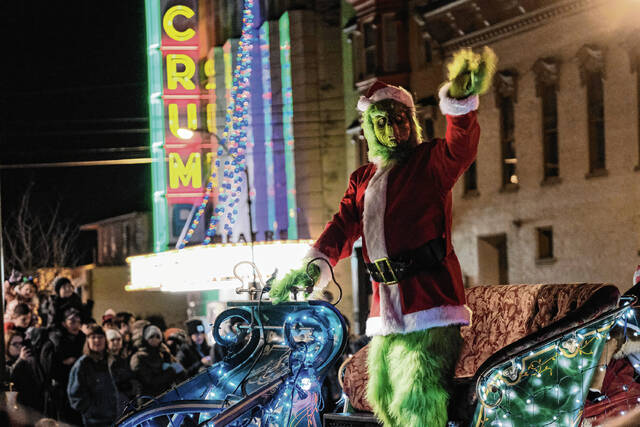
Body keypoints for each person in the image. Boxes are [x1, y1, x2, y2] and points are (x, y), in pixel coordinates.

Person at [270, 47, 497, 426]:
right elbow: (341, 227)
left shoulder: (429, 162)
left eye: (400, 121)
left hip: (430, 303)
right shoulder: (362, 179)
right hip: (385, 309)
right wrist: (312, 269)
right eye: (381, 123)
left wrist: (459, 105)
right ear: (369, 129)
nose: (392, 130)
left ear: (411, 122)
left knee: (419, 401)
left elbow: (461, 146)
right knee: (385, 398)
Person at [40, 307, 85, 424]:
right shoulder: (55, 340)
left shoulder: (83, 339)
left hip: (80, 388)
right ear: (64, 323)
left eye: (78, 322)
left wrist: (74, 361)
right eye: (72, 322)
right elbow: (50, 368)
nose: (76, 325)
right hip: (61, 390)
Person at [68, 325, 119, 426]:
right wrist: (91, 411)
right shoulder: (82, 365)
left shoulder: (112, 361)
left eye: (100, 337)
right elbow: (75, 395)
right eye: (93, 337)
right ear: (87, 340)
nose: (97, 340)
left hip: (117, 417)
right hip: (95, 421)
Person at [130, 324, 185, 400]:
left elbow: (181, 372)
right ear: (145, 338)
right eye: (151, 336)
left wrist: (168, 357)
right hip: (149, 400)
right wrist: (171, 371)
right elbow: (149, 382)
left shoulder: (163, 353)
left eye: (158, 336)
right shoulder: (138, 357)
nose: (155, 339)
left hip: (167, 397)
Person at [5, 329, 44, 412]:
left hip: (30, 404)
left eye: (21, 343)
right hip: (15, 405)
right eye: (15, 344)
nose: (19, 347)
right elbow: (9, 376)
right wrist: (21, 360)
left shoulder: (26, 360)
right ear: (7, 346)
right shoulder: (5, 362)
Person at [106, 328, 138, 410]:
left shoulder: (123, 358)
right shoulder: (108, 361)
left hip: (131, 397)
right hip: (119, 401)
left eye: (118, 339)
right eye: (112, 340)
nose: (116, 342)